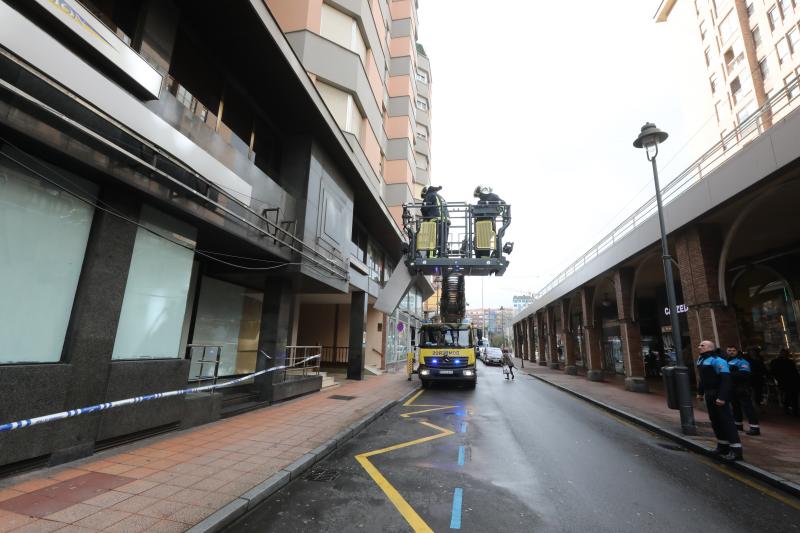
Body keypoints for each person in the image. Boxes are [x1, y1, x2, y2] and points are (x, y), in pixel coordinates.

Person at [696, 340, 743, 460]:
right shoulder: (701, 360)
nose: (699, 347)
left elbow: (726, 380)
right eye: (700, 345)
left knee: (726, 421)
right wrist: (700, 393)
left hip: (718, 394)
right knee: (715, 421)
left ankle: (736, 450)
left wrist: (722, 397)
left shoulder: (718, 360)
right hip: (709, 394)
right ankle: (722, 446)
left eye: (702, 345)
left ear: (710, 348)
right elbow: (702, 379)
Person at [725, 346, 760, 436]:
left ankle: (754, 428)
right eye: (729, 350)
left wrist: (729, 374)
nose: (731, 352)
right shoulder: (726, 361)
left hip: (742, 387)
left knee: (748, 408)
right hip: (732, 388)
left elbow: (745, 374)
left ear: (737, 351)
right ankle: (738, 425)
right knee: (735, 407)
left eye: (733, 350)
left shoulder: (742, 361)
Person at [420, 185, 449, 257]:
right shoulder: (440, 197)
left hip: (436, 221)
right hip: (446, 221)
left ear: (426, 191)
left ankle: (431, 255)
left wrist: (425, 218)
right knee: (443, 240)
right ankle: (442, 255)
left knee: (432, 240)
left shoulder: (430, 195)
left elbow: (424, 209)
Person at [770, 348, 800, 416]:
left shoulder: (789, 362)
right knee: (790, 394)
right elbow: (774, 372)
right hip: (784, 380)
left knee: (793, 394)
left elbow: (794, 371)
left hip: (791, 380)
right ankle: (790, 409)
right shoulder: (776, 362)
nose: (784, 354)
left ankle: (793, 409)